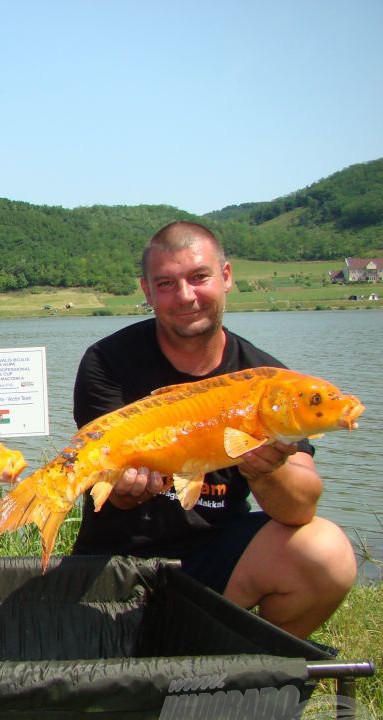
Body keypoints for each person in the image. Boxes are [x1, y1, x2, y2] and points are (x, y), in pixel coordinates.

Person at [71, 220, 355, 638]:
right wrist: (124, 488)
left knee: (325, 552)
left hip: (217, 551)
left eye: (199, 277)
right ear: (147, 291)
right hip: (116, 555)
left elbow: (300, 508)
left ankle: (237, 669)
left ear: (226, 276)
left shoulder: (271, 385)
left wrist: (266, 469)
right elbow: (100, 474)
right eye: (166, 283)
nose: (185, 296)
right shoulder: (107, 361)